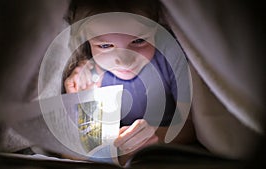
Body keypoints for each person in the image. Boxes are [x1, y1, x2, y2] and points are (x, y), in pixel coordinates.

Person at [63, 0, 196, 165]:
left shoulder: (170, 56)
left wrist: (155, 137)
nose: (124, 61)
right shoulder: (89, 73)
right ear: (86, 40)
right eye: (105, 45)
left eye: (139, 41)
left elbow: (191, 126)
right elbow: (84, 145)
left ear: (156, 29)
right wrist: (81, 99)